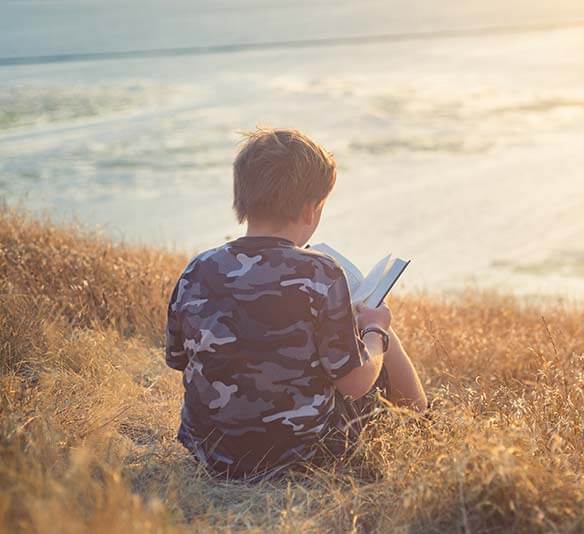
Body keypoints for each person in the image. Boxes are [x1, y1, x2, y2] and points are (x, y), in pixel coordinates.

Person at [164, 127, 427, 480]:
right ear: (309, 211)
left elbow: (177, 358)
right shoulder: (320, 270)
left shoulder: (197, 269)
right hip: (301, 457)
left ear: (242, 199)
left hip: (211, 454)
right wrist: (376, 330)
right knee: (372, 329)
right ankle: (422, 418)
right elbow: (354, 384)